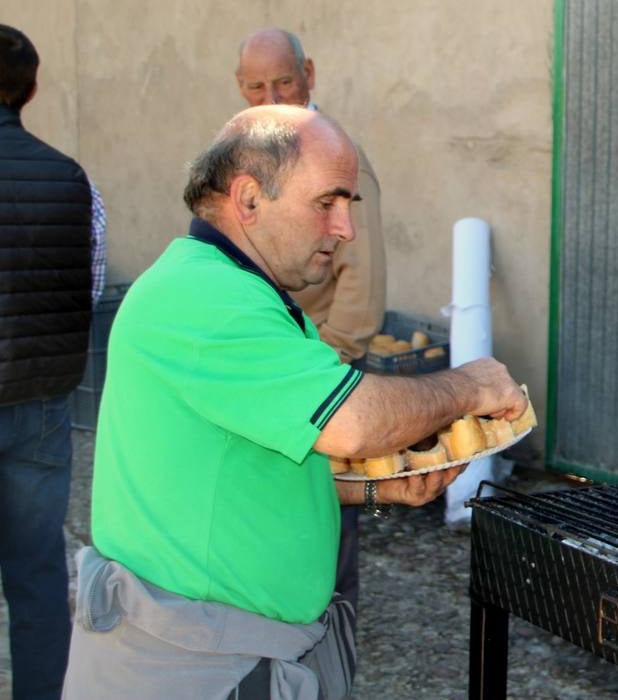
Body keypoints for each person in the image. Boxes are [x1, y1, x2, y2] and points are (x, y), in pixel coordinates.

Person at [65, 106, 526, 698]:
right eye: (326, 203)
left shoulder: (238, 292)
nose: (346, 229)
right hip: (199, 665)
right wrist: (470, 385)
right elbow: (354, 422)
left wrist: (374, 489)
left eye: (350, 206)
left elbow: (245, 463)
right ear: (249, 199)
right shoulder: (211, 300)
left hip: (221, 649)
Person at [236, 27, 385, 618]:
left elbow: (363, 279)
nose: (270, 95)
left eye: (283, 82)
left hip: (322, 370)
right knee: (271, 524)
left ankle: (328, 648)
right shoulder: (244, 156)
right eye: (255, 86)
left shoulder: (338, 157)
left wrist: (331, 362)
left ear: (311, 75)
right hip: (266, 374)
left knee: (328, 529)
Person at [0, 25, 96, 700]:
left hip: (35, 395)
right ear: (31, 89)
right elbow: (88, 285)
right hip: (38, 403)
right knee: (36, 574)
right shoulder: (69, 178)